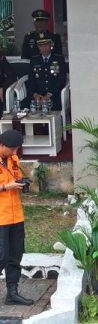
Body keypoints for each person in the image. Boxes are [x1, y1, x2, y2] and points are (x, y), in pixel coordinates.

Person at [0, 130, 34, 306]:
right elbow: (5, 185)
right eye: (12, 149)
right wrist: (6, 186)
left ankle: (12, 293)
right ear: (2, 145)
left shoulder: (13, 160)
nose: (14, 153)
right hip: (0, 218)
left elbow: (16, 178)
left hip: (15, 216)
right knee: (1, 256)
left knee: (15, 255)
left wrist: (22, 182)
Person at [22, 34, 67, 111]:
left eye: (46, 45)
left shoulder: (59, 59)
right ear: (38, 47)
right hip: (38, 95)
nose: (44, 48)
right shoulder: (34, 60)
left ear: (51, 46)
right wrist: (35, 94)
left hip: (54, 95)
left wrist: (49, 95)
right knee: (23, 104)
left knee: (55, 106)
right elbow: (31, 80)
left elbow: (62, 80)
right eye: (41, 46)